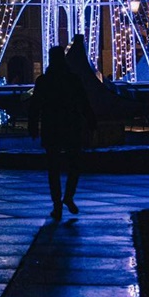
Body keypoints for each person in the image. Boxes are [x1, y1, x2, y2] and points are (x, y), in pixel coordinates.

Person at [28, 45, 97, 220]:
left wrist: (33, 125)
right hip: (71, 125)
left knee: (53, 168)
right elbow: (84, 102)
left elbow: (35, 106)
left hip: (52, 127)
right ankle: (68, 196)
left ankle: (57, 203)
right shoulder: (73, 79)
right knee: (74, 165)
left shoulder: (43, 81)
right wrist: (91, 121)